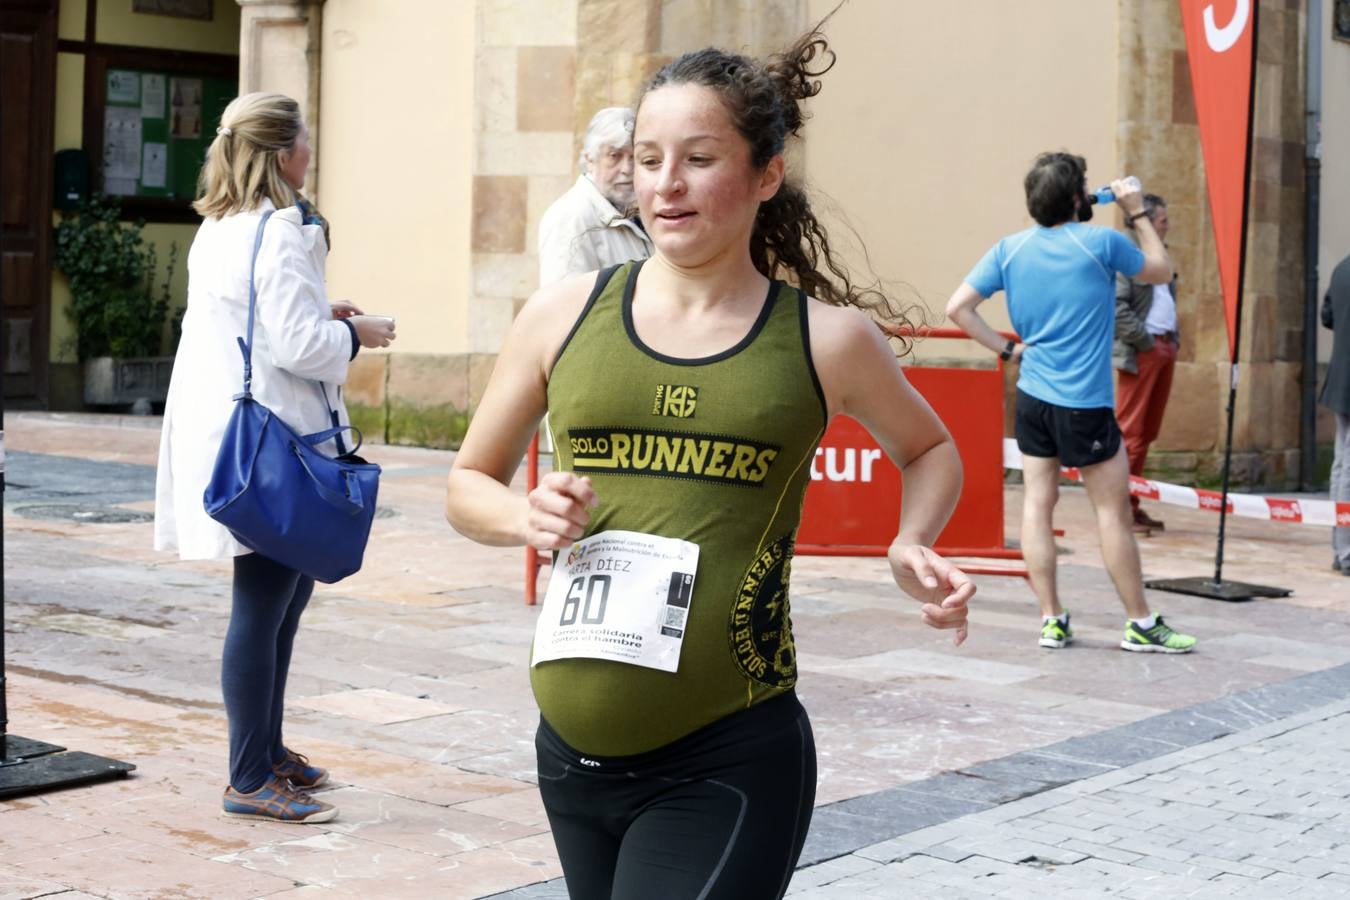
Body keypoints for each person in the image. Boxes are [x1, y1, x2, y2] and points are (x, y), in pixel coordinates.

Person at [445, 26, 972, 900]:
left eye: (698, 158)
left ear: (766, 175)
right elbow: (468, 485)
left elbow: (928, 447)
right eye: (647, 159)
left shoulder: (825, 339)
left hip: (727, 755)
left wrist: (912, 539)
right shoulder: (559, 316)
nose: (666, 184)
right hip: (569, 762)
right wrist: (519, 516)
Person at [153, 92, 396, 823]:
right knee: (264, 607)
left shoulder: (224, 226)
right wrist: (360, 335)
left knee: (281, 602)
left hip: (230, 432)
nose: (312, 151)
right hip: (270, 444)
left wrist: (322, 310)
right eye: (305, 140)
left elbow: (253, 316)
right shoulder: (281, 231)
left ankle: (268, 751)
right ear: (284, 153)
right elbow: (298, 349)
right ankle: (249, 776)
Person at [946, 152, 1196, 655]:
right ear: (1079, 197)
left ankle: (1051, 620)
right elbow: (1161, 269)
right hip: (1085, 403)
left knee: (1038, 504)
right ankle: (1140, 623)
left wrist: (1009, 350)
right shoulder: (1101, 242)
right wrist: (1137, 211)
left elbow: (958, 308)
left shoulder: (1009, 250)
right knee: (1111, 514)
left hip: (1034, 399)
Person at [1114, 193, 1177, 533]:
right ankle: (1120, 509)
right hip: (1144, 350)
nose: (1167, 226)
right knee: (1131, 433)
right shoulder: (1128, 256)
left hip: (1164, 348)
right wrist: (1146, 342)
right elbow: (1117, 308)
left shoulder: (1158, 257)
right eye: (1163, 220)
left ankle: (1132, 503)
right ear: (1146, 221)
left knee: (1146, 433)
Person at [537, 106, 654, 287]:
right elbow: (566, 307)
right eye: (614, 156)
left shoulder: (634, 209)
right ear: (590, 160)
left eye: (635, 157)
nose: (628, 169)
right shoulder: (571, 218)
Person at [1322, 252, 1350, 575]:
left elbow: (1327, 316)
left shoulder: (1341, 267)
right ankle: (1346, 553)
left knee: (1341, 465)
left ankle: (1339, 547)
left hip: (1341, 377)